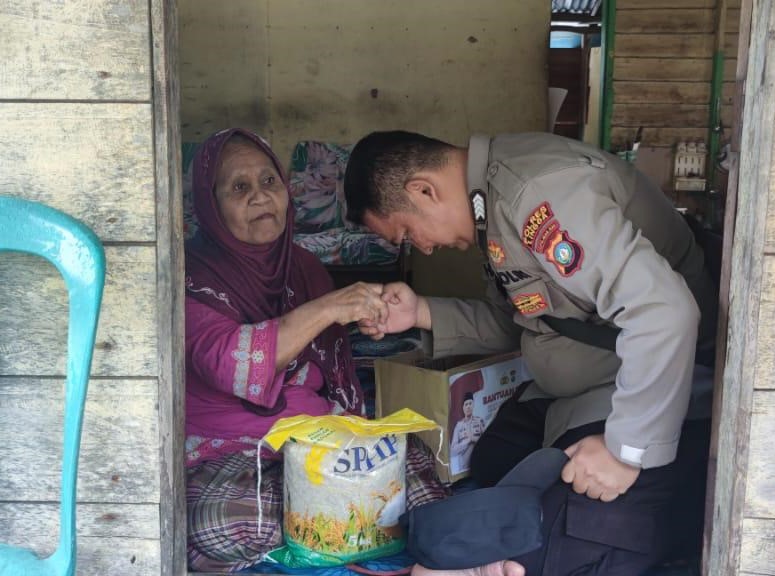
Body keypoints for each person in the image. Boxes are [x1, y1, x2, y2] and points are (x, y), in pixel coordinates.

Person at [345, 131, 717, 576]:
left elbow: (665, 311)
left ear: (423, 189)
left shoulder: (538, 196)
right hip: (574, 391)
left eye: (408, 232)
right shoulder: (495, 209)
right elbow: (525, 319)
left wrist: (625, 452)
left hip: (646, 394)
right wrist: (422, 312)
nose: (422, 247)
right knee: (493, 457)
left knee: (569, 539)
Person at [183, 128, 447, 572]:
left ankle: (412, 550)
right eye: (239, 187)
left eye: (269, 182)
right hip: (231, 451)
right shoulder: (189, 276)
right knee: (233, 520)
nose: (260, 197)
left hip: (313, 438)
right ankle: (355, 536)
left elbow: (330, 363)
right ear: (211, 204)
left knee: (416, 463)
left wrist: (366, 318)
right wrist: (329, 308)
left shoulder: (302, 268)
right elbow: (232, 365)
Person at [450, 392, 485, 473]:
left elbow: (487, 441)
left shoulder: (480, 421)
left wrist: (473, 438)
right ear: (463, 407)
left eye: (470, 403)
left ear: (473, 405)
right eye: (466, 404)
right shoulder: (458, 426)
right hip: (465, 469)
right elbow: (452, 451)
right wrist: (467, 442)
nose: (468, 406)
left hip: (481, 464)